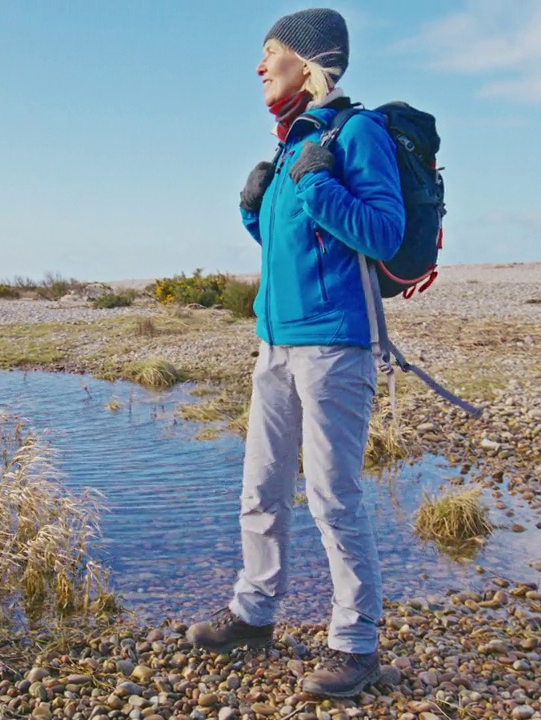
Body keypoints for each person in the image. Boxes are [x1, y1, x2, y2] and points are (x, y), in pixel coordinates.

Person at [185, 7, 406, 700]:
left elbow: (383, 233)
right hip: (274, 344)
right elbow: (299, 247)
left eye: (270, 52)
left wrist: (313, 181)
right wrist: (257, 211)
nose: (258, 66)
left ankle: (355, 643)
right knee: (261, 490)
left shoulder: (355, 131)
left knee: (333, 496)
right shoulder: (292, 142)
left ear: (308, 63)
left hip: (334, 347)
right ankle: (254, 613)